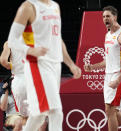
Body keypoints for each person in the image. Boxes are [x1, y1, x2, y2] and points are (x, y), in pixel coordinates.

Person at [7, 0, 81, 131]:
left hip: (55, 65)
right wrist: (30, 50)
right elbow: (12, 40)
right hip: (38, 65)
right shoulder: (28, 7)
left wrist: (71, 64)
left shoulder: (55, 6)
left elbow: (57, 39)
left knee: (40, 115)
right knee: (56, 111)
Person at [84, 5, 121, 131]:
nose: (105, 19)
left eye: (108, 16)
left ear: (115, 17)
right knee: (112, 110)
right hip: (108, 75)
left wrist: (118, 80)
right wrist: (92, 67)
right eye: (103, 16)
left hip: (119, 74)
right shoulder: (107, 35)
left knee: (110, 110)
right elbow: (108, 61)